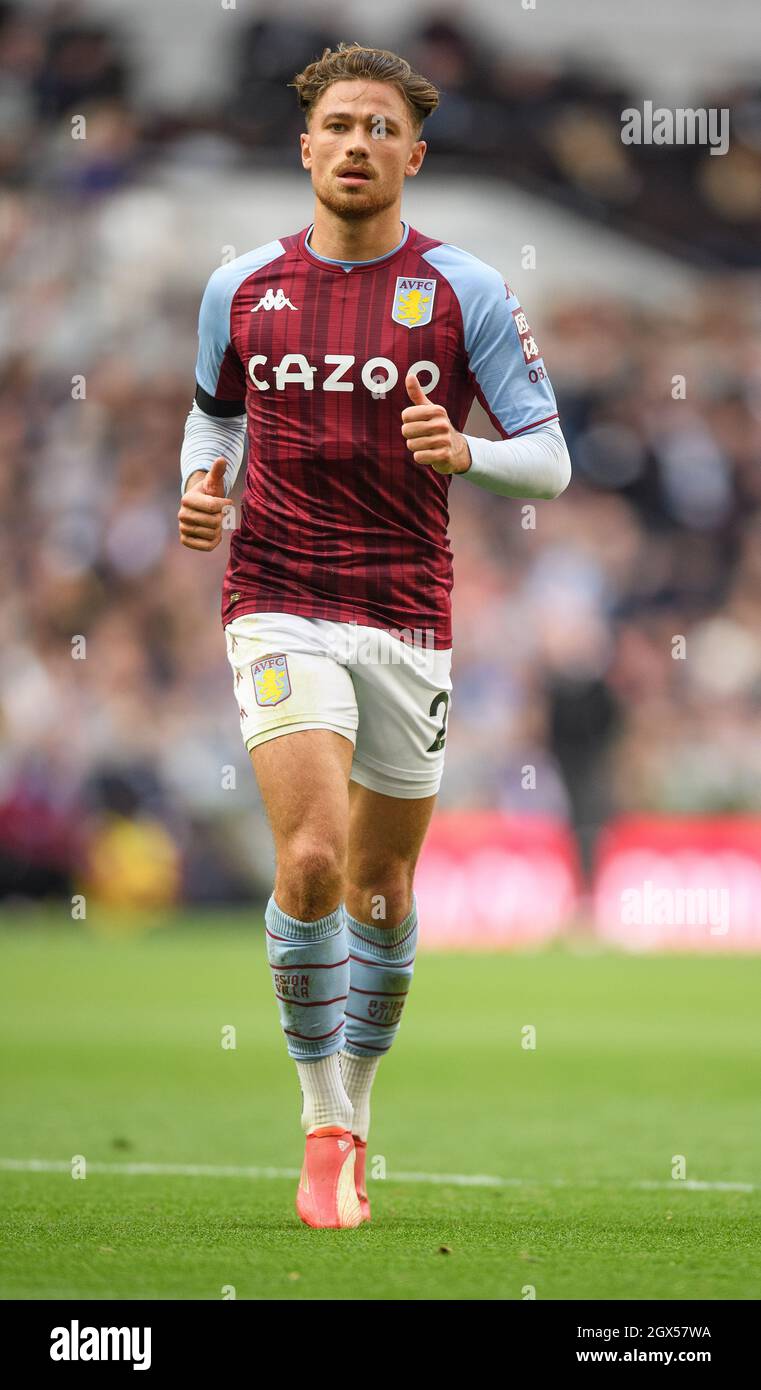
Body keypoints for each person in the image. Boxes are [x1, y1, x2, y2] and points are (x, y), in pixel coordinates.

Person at [178, 42, 571, 1229]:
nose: (355, 144)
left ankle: (357, 1102)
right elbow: (211, 421)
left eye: (378, 128)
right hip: (278, 593)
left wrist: (468, 454)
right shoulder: (240, 287)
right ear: (305, 148)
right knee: (308, 859)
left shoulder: (465, 293)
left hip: (409, 615)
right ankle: (320, 1124)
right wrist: (201, 489)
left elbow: (548, 460)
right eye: (336, 125)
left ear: (413, 151)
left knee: (384, 890)